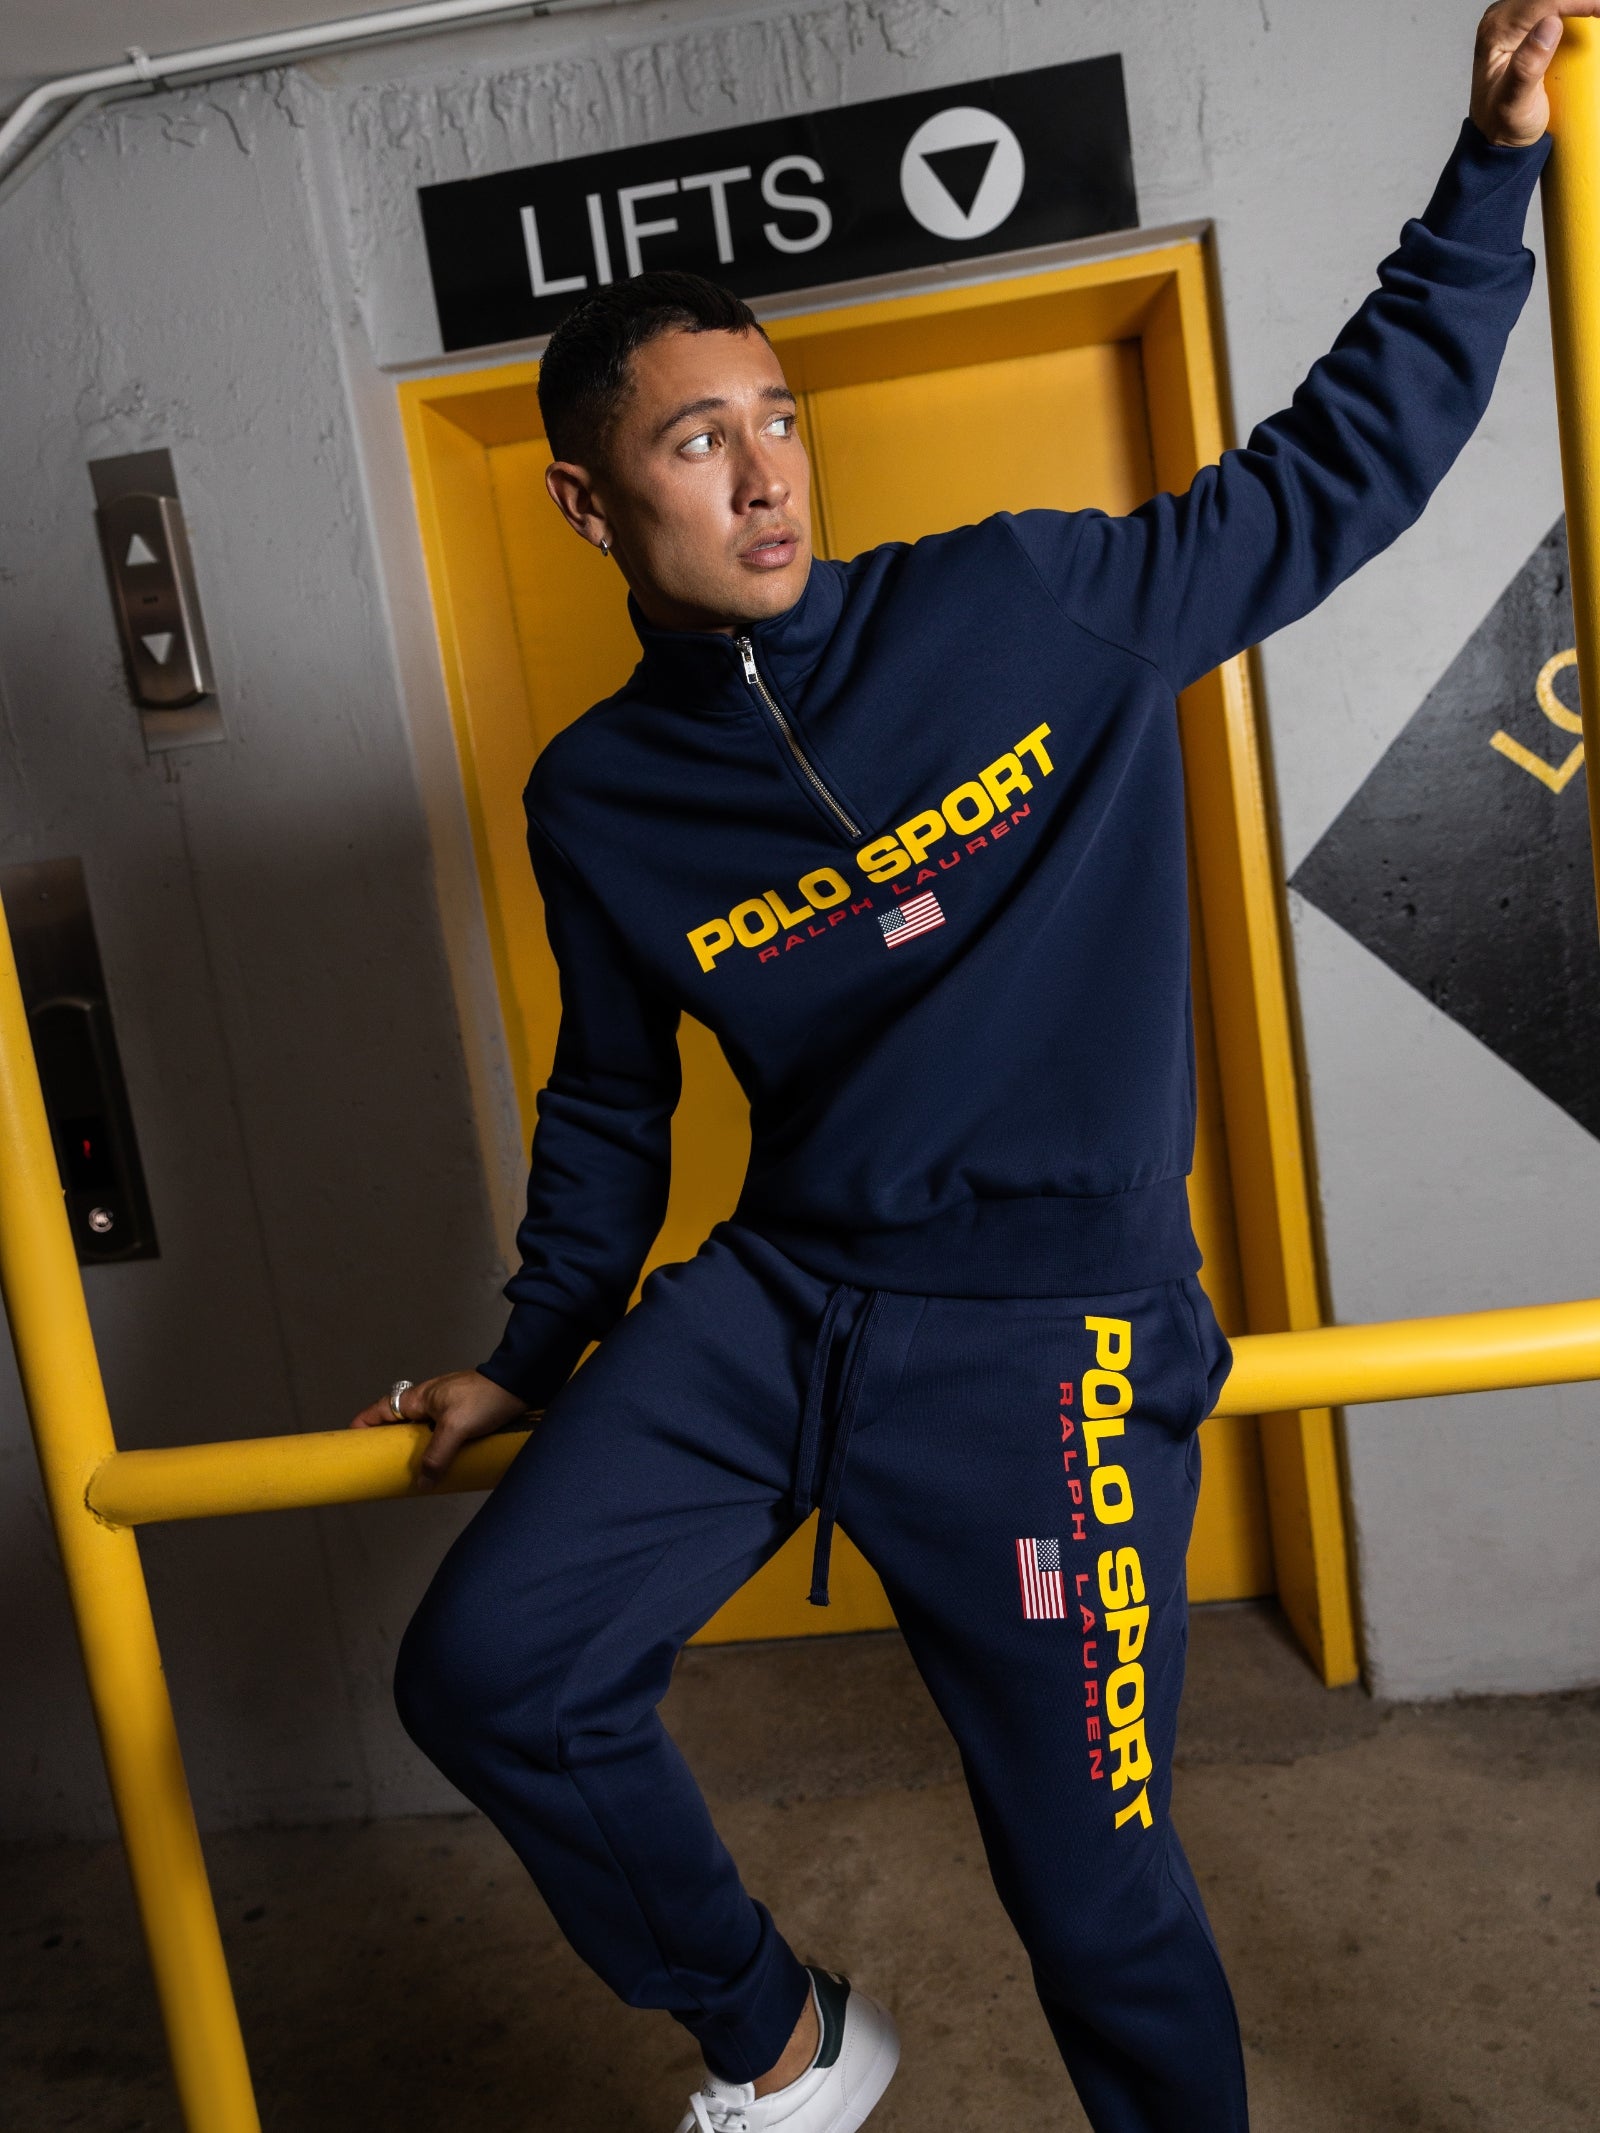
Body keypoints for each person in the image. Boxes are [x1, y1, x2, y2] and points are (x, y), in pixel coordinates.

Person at [352, 7, 1582, 2126]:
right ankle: (782, 2039)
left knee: (1091, 1896)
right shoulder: (600, 796)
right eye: (695, 441)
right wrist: (534, 1346)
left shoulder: (1026, 604)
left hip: (1046, 1335)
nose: (765, 475)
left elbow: (1335, 472)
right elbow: (614, 1095)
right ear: (585, 498)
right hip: (781, 1304)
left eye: (777, 420)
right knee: (488, 1667)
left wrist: (1489, 174)